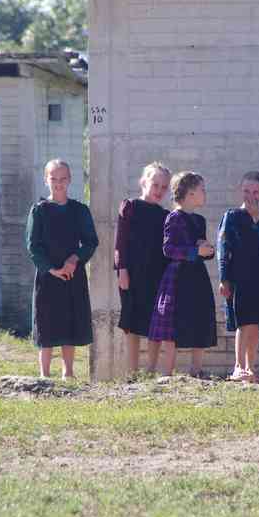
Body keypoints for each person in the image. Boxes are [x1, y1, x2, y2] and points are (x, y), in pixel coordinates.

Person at [26, 159, 99, 379]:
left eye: (63, 178)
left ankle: (68, 373)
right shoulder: (38, 211)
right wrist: (51, 269)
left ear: (70, 180)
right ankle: (45, 375)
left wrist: (74, 260)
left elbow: (90, 242)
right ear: (46, 180)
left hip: (72, 275)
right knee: (46, 323)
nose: (58, 183)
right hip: (47, 277)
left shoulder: (80, 210)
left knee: (70, 321)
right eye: (53, 178)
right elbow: (32, 246)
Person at [148, 171, 217, 377]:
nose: (205, 194)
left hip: (197, 277)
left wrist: (206, 250)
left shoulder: (200, 220)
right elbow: (168, 249)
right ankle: (167, 373)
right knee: (173, 326)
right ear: (189, 194)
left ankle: (197, 370)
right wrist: (195, 251)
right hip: (178, 279)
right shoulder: (174, 218)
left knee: (200, 319)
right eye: (202, 190)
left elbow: (200, 249)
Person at [217, 171, 259, 383]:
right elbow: (223, 248)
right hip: (238, 274)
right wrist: (224, 278)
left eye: (255, 191)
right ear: (239, 190)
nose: (250, 195)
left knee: (255, 323)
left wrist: (256, 219)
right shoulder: (231, 216)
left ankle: (250, 367)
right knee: (243, 322)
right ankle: (238, 366)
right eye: (246, 191)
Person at [115, 162, 172, 374]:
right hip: (131, 273)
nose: (159, 190)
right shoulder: (130, 206)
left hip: (157, 275)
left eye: (164, 187)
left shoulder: (165, 215)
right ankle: (132, 372)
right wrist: (122, 269)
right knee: (132, 322)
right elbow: (120, 241)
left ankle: (150, 370)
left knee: (154, 323)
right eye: (155, 184)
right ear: (143, 182)